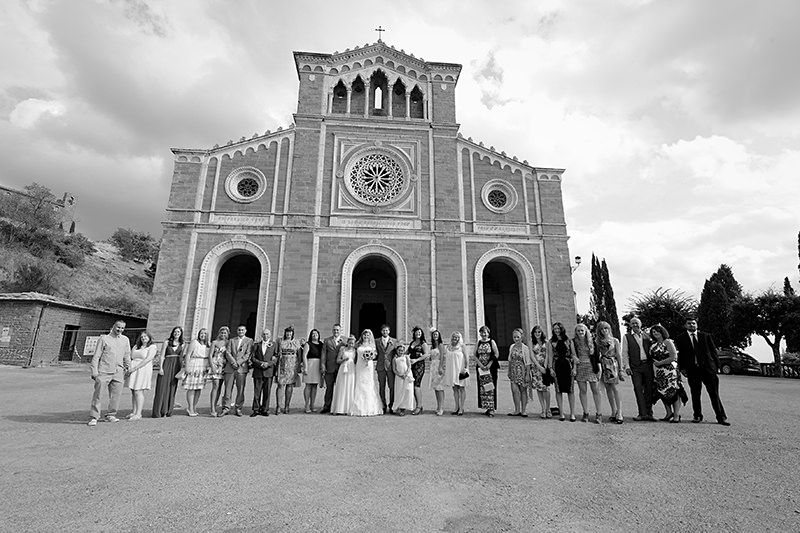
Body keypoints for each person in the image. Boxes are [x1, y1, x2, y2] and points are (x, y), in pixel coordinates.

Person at [674, 317, 729, 426]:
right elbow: (681, 355)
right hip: (692, 370)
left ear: (697, 325)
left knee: (714, 394)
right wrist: (682, 369)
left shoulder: (706, 336)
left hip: (708, 370)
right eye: (689, 324)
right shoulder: (680, 338)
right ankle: (697, 415)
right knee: (695, 394)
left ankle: (721, 417)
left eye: (693, 323)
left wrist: (716, 367)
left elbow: (713, 352)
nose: (691, 325)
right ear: (685, 325)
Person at [88, 320, 131, 426]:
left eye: (122, 328)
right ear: (113, 326)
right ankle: (94, 417)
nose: (120, 330)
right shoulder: (104, 339)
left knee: (116, 395)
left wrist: (128, 367)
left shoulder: (125, 340)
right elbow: (96, 356)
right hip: (104, 371)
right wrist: (94, 371)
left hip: (118, 371)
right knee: (98, 395)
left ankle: (111, 415)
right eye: (118, 327)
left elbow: (127, 355)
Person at [649, 324, 688, 423]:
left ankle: (676, 414)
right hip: (659, 372)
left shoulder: (668, 342)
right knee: (662, 392)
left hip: (670, 371)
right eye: (653, 332)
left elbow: (673, 357)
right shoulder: (653, 344)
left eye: (657, 331)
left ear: (662, 331)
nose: (655, 333)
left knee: (674, 392)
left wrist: (660, 363)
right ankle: (668, 413)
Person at [622, 317, 655, 421]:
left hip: (648, 366)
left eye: (636, 323)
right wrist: (627, 366)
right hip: (635, 367)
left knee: (649, 389)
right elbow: (624, 353)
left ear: (641, 324)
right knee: (638, 389)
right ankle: (642, 413)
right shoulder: (627, 337)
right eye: (632, 323)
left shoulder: (648, 336)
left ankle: (649, 413)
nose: (635, 325)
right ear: (630, 325)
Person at [595, 321, 624, 424]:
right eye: (602, 329)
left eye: (606, 328)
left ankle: (619, 412)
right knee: (608, 389)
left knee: (615, 388)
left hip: (612, 365)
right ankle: (613, 411)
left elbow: (619, 355)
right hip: (603, 365)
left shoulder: (615, 340)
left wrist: (621, 369)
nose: (604, 331)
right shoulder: (598, 341)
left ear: (609, 329)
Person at [152, 326, 184, 418]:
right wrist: (160, 368)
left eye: (178, 332)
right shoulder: (166, 342)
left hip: (176, 367)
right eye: (175, 331)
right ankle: (159, 411)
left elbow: (182, 358)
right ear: (172, 332)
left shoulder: (182, 344)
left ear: (181, 333)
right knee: (162, 388)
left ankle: (167, 411)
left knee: (172, 388)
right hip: (166, 365)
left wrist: (182, 370)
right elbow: (162, 356)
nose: (177, 333)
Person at [221, 325, 253, 417]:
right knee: (227, 389)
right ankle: (226, 408)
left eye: (242, 330)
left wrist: (238, 363)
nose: (240, 331)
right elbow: (228, 352)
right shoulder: (232, 340)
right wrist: (233, 362)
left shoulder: (249, 341)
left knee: (240, 389)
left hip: (241, 368)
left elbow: (248, 354)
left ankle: (238, 408)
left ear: (245, 331)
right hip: (230, 367)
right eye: (239, 330)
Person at [573, 323, 602, 423]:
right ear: (576, 332)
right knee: (583, 391)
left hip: (591, 367)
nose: (580, 332)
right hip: (580, 367)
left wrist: (599, 370)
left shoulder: (592, 341)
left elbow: (597, 357)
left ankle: (599, 413)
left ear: (586, 331)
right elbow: (572, 355)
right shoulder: (574, 342)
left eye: (582, 330)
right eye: (578, 330)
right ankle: (585, 412)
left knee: (596, 390)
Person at [125, 331, 157, 420]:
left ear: (149, 338)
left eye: (145, 337)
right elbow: (131, 356)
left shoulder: (152, 347)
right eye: (142, 337)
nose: (143, 338)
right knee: (133, 390)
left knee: (138, 391)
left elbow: (148, 359)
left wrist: (135, 368)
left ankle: (138, 414)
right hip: (133, 368)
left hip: (143, 369)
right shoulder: (136, 346)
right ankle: (134, 412)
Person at [549, 322, 578, 421]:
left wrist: (574, 368)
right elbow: (550, 356)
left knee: (570, 390)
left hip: (567, 365)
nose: (557, 330)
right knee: (558, 390)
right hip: (557, 366)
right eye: (555, 329)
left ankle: (572, 414)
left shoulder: (569, 341)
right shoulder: (551, 342)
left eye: (558, 328)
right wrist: (551, 368)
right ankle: (561, 413)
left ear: (562, 329)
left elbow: (573, 355)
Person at [351, 329, 383, 417]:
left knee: (369, 384)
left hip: (368, 366)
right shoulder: (358, 345)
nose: (366, 337)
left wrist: (371, 357)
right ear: (362, 336)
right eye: (364, 335)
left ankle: (370, 407)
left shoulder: (372, 345)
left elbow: (375, 354)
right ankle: (358, 407)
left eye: (368, 335)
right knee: (359, 383)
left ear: (370, 336)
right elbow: (351, 349)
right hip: (360, 366)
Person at [182, 328, 210, 417]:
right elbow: (188, 354)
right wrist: (187, 367)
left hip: (203, 366)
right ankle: (190, 407)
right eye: (201, 333)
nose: (203, 335)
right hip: (194, 364)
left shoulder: (208, 344)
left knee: (198, 388)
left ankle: (194, 407)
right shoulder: (194, 342)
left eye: (205, 334)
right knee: (192, 387)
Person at [275, 326, 302, 414]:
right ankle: (279, 406)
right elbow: (276, 352)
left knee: (289, 386)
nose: (288, 334)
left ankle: (287, 406)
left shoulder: (296, 342)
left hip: (292, 365)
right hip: (282, 365)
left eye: (290, 332)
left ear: (292, 333)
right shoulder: (280, 341)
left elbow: (299, 355)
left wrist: (299, 367)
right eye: (287, 332)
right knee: (280, 385)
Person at [250, 329, 277, 417]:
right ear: (262, 335)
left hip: (269, 371)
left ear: (270, 335)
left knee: (267, 392)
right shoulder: (256, 345)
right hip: (258, 370)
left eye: (267, 334)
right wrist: (260, 363)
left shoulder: (274, 345)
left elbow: (276, 356)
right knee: (257, 392)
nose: (265, 336)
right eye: (264, 334)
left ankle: (265, 409)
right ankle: (256, 409)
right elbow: (253, 357)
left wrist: (268, 364)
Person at [320, 324, 346, 414]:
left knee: (340, 388)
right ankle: (327, 406)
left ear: (340, 331)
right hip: (330, 367)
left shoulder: (345, 340)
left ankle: (338, 406)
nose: (336, 331)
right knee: (329, 388)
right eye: (334, 330)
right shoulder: (327, 340)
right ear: (332, 330)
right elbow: (323, 354)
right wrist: (323, 365)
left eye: (337, 330)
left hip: (341, 368)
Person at [507, 328, 532, 417]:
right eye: (514, 337)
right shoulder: (512, 347)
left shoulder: (525, 348)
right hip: (514, 371)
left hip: (522, 372)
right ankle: (517, 410)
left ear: (521, 337)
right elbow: (510, 360)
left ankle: (523, 410)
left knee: (523, 391)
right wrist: (509, 371)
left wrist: (527, 374)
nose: (516, 339)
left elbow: (528, 362)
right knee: (514, 391)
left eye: (518, 337)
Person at [475, 325, 499, 417]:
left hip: (491, 368)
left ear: (488, 333)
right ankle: (486, 407)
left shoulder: (491, 342)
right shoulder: (479, 342)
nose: (483, 334)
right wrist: (480, 365)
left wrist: (489, 364)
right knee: (483, 388)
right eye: (482, 332)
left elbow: (496, 354)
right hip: (481, 368)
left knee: (491, 387)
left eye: (485, 332)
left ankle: (491, 408)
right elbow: (474, 354)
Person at [443, 331, 468, 416]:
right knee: (455, 389)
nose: (455, 338)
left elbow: (466, 358)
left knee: (461, 388)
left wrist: (466, 368)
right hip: (452, 370)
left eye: (457, 337)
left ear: (459, 338)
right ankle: (456, 407)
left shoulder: (462, 346)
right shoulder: (448, 347)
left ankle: (461, 408)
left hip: (460, 370)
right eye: (454, 336)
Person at [529, 325, 551, 419]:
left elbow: (548, 354)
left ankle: (548, 409)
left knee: (546, 388)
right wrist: (538, 366)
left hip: (544, 367)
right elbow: (532, 356)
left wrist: (544, 366)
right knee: (539, 388)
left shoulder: (546, 342)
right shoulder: (531, 342)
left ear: (542, 333)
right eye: (535, 332)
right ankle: (543, 409)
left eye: (539, 332)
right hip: (536, 367)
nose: (537, 334)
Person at [331, 335, 357, 415]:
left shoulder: (355, 351)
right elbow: (337, 360)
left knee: (350, 387)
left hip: (351, 369)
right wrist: (343, 360)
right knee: (342, 387)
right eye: (349, 343)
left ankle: (348, 409)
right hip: (343, 369)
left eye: (352, 343)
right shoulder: (343, 349)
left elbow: (356, 361)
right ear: (347, 342)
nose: (351, 344)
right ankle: (339, 408)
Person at [407, 326, 430, 415]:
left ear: (422, 334)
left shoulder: (423, 343)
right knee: (412, 386)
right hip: (411, 366)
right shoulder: (412, 342)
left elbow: (426, 355)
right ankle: (418, 405)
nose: (418, 334)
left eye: (419, 333)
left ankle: (419, 407)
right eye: (416, 333)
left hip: (419, 366)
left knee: (417, 385)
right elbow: (407, 352)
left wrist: (416, 360)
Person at [375, 324, 398, 413]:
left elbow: (398, 353)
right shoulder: (376, 341)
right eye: (383, 330)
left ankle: (392, 405)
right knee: (381, 387)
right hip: (380, 366)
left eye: (386, 330)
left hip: (390, 367)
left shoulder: (394, 341)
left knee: (392, 387)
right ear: (381, 331)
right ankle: (383, 405)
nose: (385, 332)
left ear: (389, 331)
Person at [207, 326, 229, 417]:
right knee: (215, 386)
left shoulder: (228, 343)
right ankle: (212, 409)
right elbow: (210, 355)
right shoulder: (214, 342)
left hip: (224, 366)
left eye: (225, 333)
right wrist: (212, 366)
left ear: (227, 334)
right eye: (222, 333)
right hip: (216, 365)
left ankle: (216, 405)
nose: (223, 334)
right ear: (219, 333)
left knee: (220, 387)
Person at [302, 329, 324, 413]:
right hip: (310, 364)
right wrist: (305, 367)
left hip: (318, 365)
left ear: (319, 335)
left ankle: (312, 404)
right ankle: (307, 405)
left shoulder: (321, 344)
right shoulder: (308, 344)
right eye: (313, 334)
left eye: (316, 334)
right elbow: (304, 356)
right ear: (311, 335)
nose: (315, 335)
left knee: (314, 386)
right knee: (308, 385)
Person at [391, 344, 415, 416]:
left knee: (408, 390)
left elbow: (409, 366)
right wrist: (400, 375)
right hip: (399, 377)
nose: (400, 352)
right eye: (399, 350)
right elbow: (394, 369)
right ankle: (400, 407)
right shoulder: (394, 359)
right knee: (400, 391)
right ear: (397, 351)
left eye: (402, 350)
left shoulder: (406, 357)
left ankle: (406, 407)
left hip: (407, 375)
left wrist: (406, 374)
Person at [428, 329, 446, 416]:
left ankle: (441, 407)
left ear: (439, 336)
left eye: (437, 334)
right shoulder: (432, 346)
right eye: (434, 334)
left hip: (439, 365)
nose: (435, 336)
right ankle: (438, 406)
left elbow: (442, 356)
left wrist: (440, 367)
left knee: (440, 387)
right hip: (433, 366)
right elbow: (431, 357)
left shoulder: (441, 345)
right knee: (436, 388)